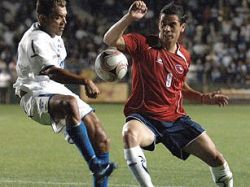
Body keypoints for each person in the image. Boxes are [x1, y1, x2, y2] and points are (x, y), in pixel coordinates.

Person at [103, 1, 233, 186]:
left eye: (172, 24)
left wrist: (204, 98)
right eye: (163, 24)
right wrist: (130, 17)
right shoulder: (143, 44)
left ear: (182, 27)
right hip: (145, 118)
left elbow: (179, 87)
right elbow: (109, 40)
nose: (166, 28)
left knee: (218, 160)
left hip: (176, 120)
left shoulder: (185, 57)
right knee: (129, 134)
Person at [13, 0, 117, 186]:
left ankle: (100, 175)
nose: (64, 22)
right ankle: (95, 165)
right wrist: (84, 80)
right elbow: (51, 71)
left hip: (55, 90)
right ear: (42, 18)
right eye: (57, 17)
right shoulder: (35, 40)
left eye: (65, 17)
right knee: (70, 103)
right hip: (33, 94)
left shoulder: (56, 37)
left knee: (101, 139)